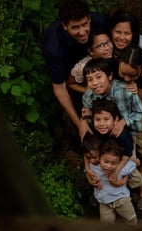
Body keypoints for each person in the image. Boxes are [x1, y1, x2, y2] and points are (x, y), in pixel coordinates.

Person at [42, 0, 109, 153]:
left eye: (85, 24)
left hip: (100, 66)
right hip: (72, 74)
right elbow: (59, 87)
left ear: (89, 19)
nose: (82, 31)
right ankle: (85, 142)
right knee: (82, 110)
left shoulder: (101, 22)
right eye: (75, 27)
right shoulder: (54, 46)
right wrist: (80, 124)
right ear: (65, 26)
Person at [80, 57, 142, 177]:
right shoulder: (89, 96)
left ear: (109, 76)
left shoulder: (125, 90)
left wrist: (124, 121)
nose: (94, 83)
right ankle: (130, 167)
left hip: (133, 121)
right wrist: (83, 121)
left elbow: (140, 111)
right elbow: (86, 112)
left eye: (99, 77)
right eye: (90, 80)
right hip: (112, 129)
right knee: (125, 148)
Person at [91, 97, 142, 210]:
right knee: (103, 170)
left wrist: (118, 171)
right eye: (97, 119)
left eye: (106, 119)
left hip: (126, 153)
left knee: (133, 174)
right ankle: (104, 193)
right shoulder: (95, 131)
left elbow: (127, 153)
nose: (102, 124)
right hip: (109, 154)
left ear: (116, 120)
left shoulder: (122, 135)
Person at [82, 136, 138, 224]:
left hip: (122, 200)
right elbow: (86, 170)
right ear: (100, 157)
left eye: (113, 163)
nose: (108, 166)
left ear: (119, 162)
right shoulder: (95, 167)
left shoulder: (121, 168)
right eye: (106, 161)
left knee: (131, 220)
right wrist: (90, 180)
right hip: (104, 203)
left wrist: (124, 179)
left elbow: (132, 164)